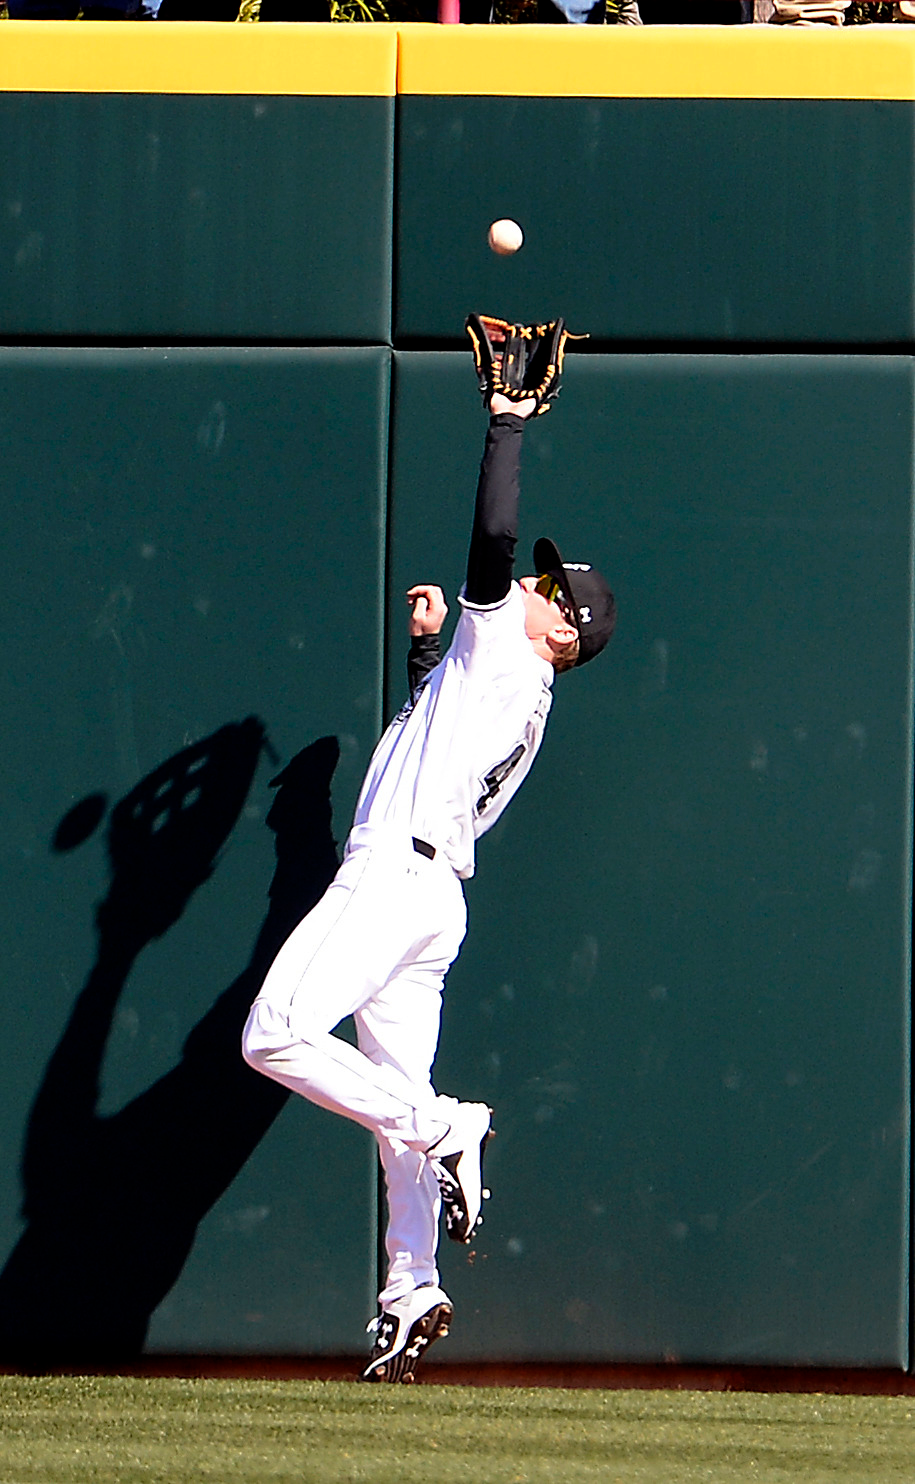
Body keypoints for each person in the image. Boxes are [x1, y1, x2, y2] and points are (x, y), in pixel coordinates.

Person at [241, 320, 615, 1383]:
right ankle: (412, 1287)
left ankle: (454, 1123)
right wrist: (422, 652)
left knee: (274, 1036)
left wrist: (505, 426)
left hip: (395, 878)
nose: (538, 587)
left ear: (565, 632)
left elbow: (490, 547)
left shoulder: (511, 643)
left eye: (555, 593)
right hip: (431, 899)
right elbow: (433, 733)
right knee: (389, 1103)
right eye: (546, 583)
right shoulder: (508, 684)